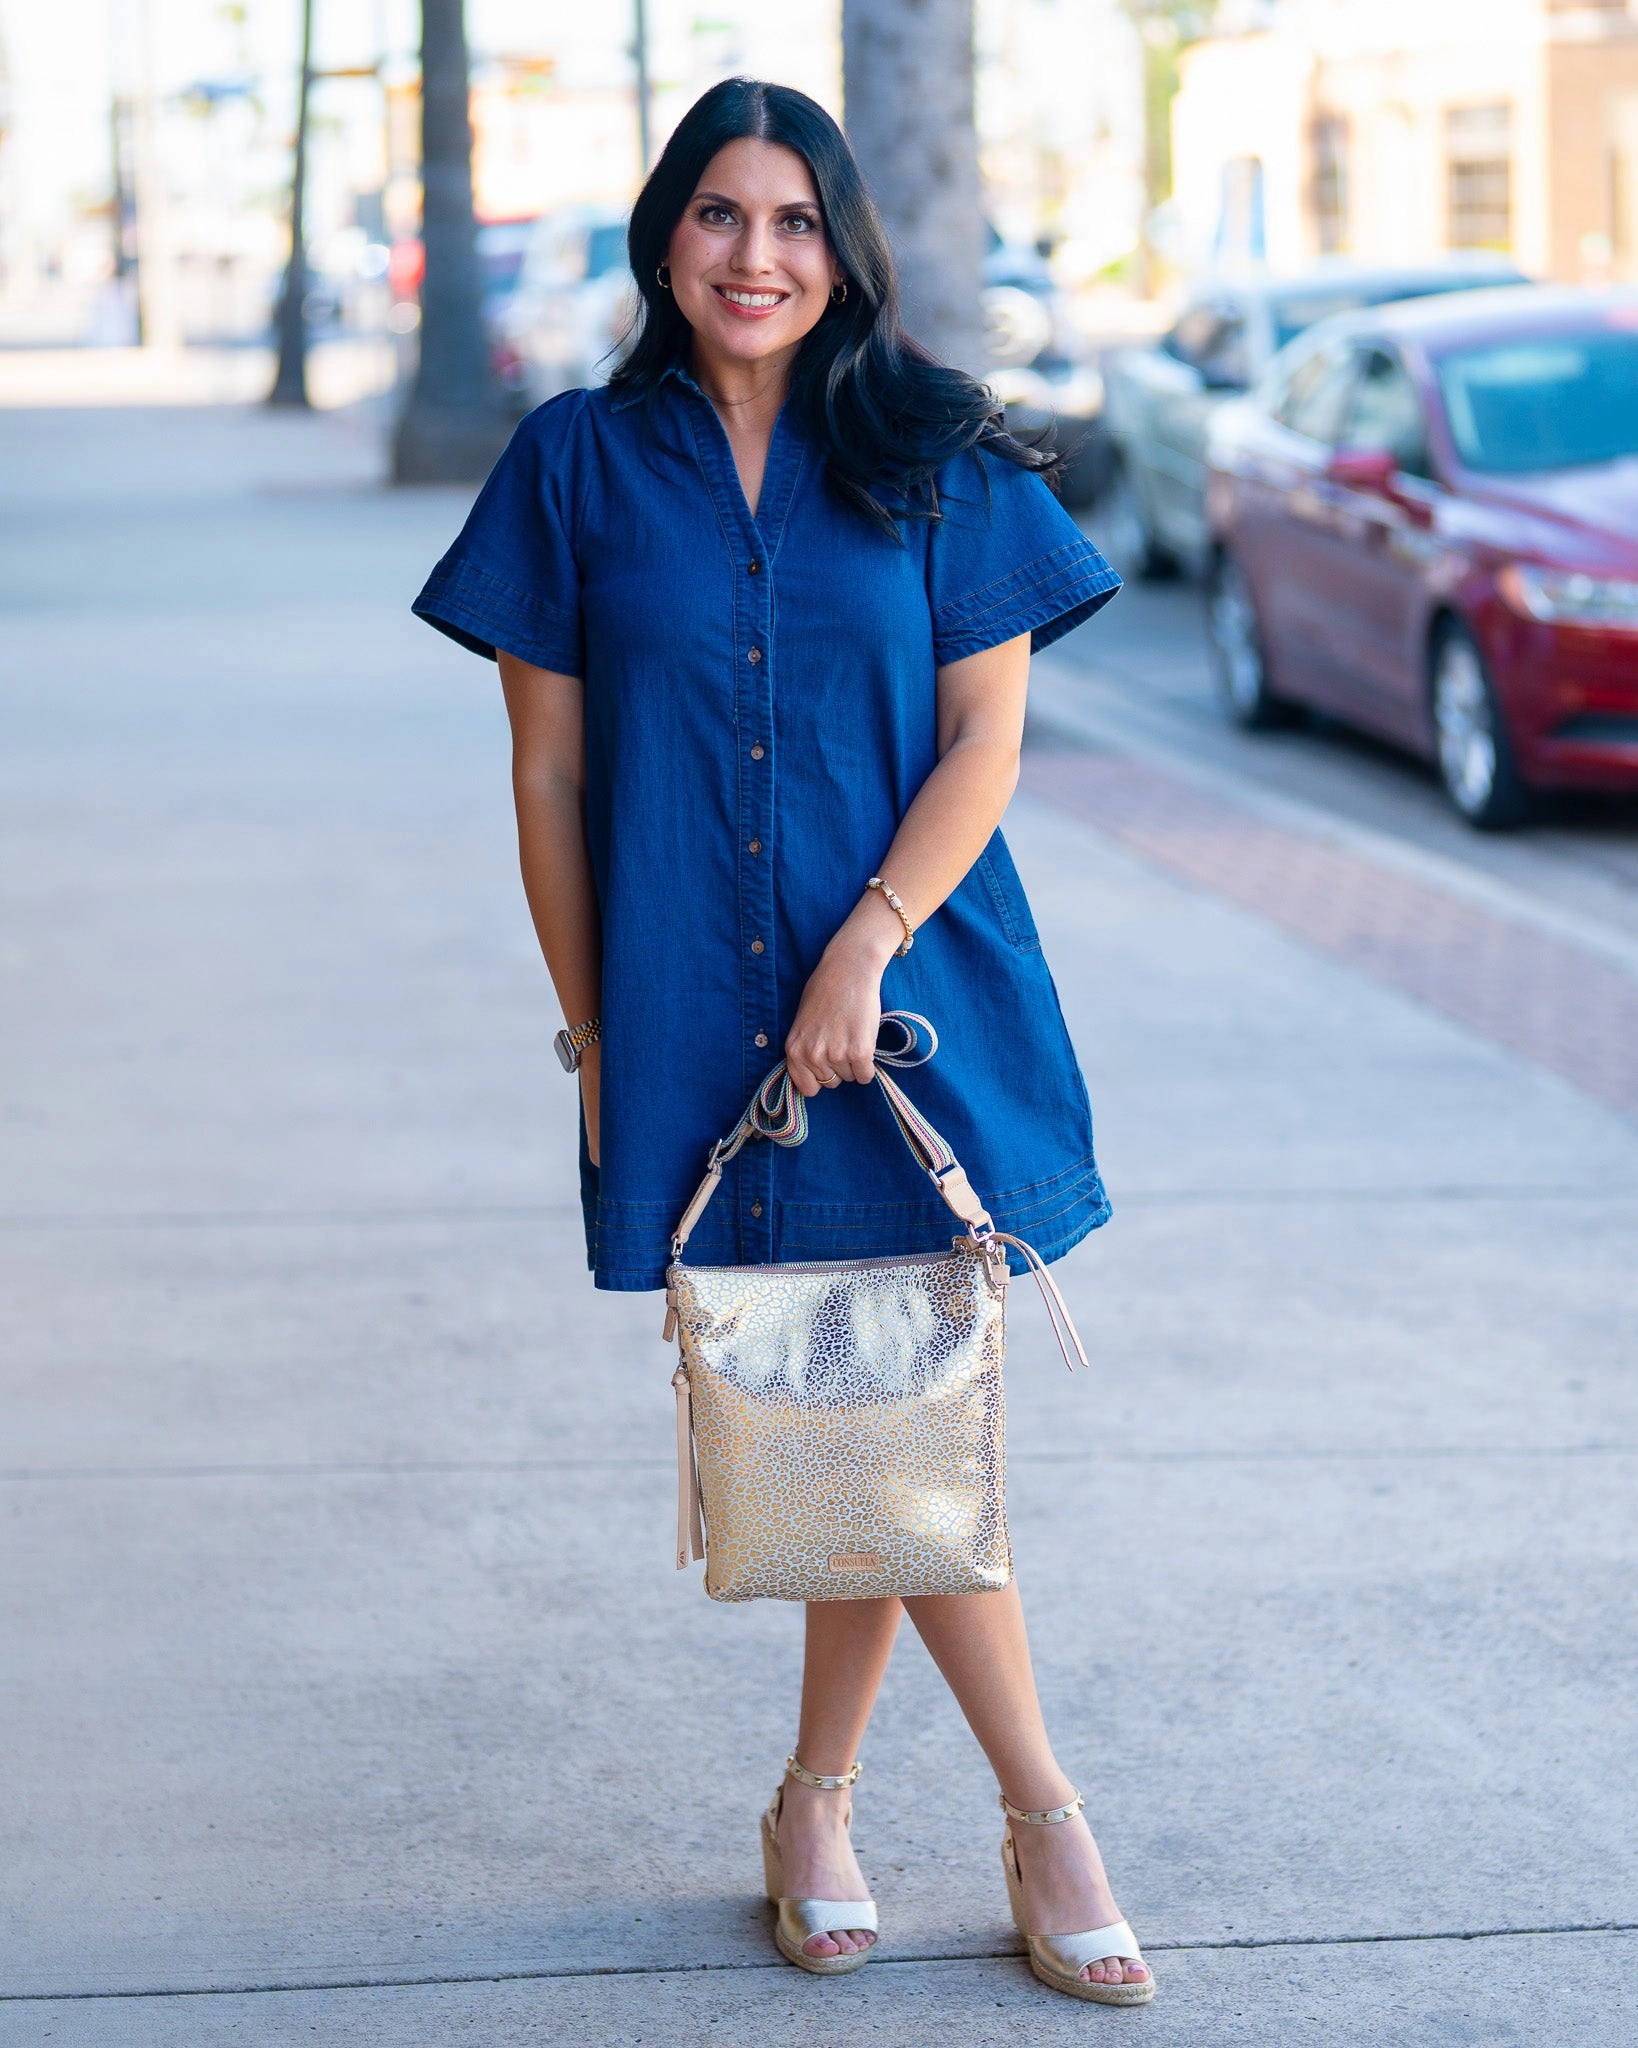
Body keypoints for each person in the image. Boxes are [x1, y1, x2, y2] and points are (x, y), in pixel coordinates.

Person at [413, 78, 1150, 2007]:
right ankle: (833, 1803)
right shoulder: (572, 464)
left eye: (797, 222)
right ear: (667, 235)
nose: (758, 256)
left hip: (908, 1013)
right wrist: (596, 1033)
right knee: (846, 1415)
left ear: (845, 249)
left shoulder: (929, 455)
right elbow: (550, 774)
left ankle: (1027, 1809)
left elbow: (986, 738)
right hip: (694, 1013)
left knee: (877, 1411)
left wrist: (865, 945)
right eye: (723, 217)